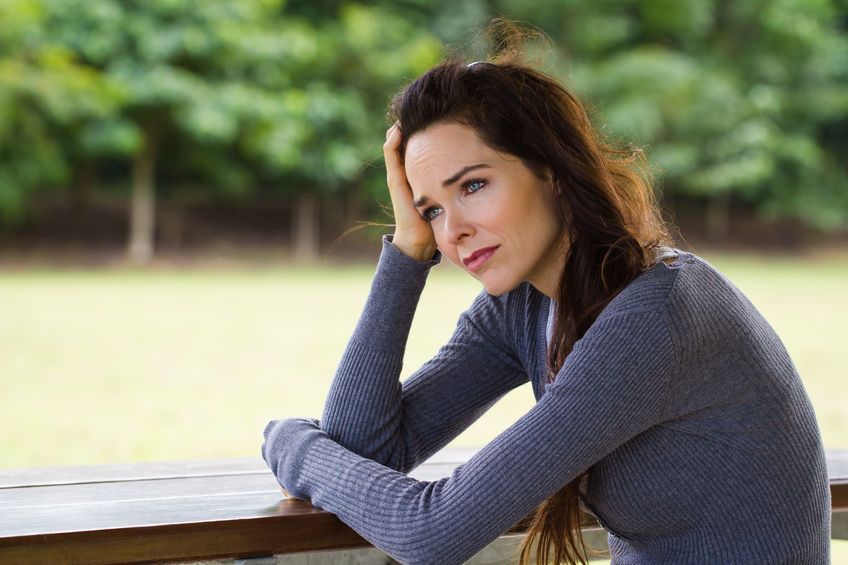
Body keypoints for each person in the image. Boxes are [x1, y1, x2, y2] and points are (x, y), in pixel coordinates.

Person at [262, 28, 830, 565]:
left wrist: (291, 443)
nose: (451, 229)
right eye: (431, 208)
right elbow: (365, 447)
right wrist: (409, 252)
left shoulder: (660, 314)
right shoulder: (524, 305)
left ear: (552, 169)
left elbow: (432, 533)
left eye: (473, 186)